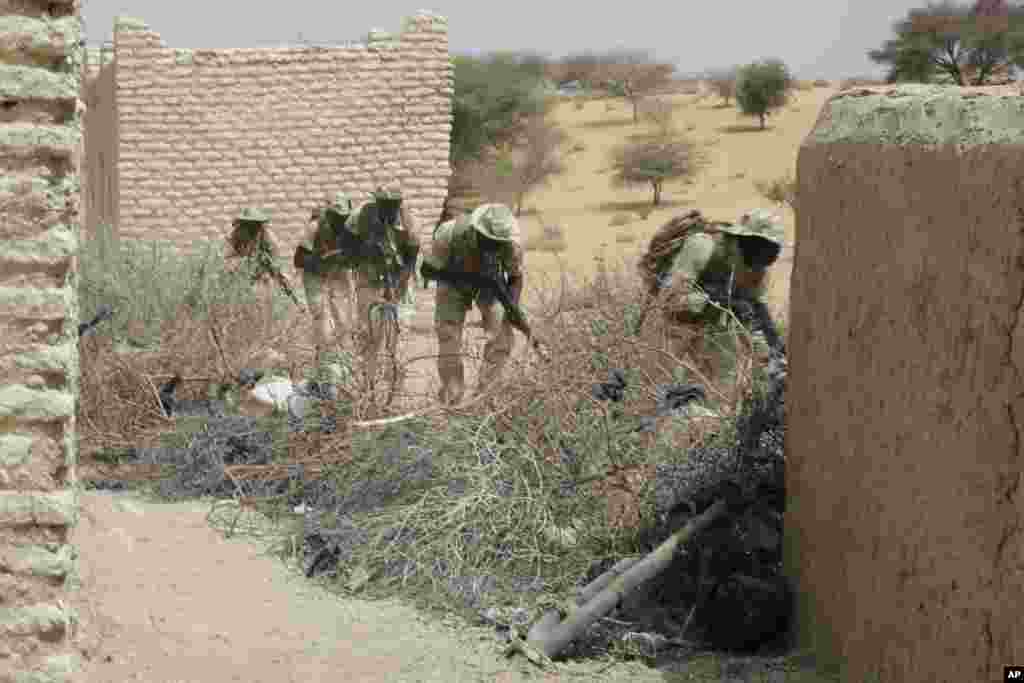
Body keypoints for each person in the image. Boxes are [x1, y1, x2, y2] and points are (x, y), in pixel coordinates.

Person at [639, 208, 786, 387]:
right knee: (653, 389)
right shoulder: (702, 247)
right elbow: (668, 299)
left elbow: (755, 317)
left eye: (773, 249)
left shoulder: (758, 271)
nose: (769, 255)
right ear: (749, 240)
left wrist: (774, 354)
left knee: (721, 389)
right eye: (765, 246)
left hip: (711, 328)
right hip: (672, 325)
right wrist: (714, 299)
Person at [420, 203, 524, 405]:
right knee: (449, 335)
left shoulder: (511, 244)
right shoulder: (449, 233)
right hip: (453, 282)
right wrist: (466, 277)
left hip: (490, 284)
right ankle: (453, 394)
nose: (494, 246)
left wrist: (513, 307)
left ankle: (487, 395)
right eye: (489, 241)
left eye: (498, 243)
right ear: (477, 231)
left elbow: (515, 277)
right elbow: (427, 271)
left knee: (502, 335)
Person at [344, 186, 421, 391]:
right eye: (383, 205)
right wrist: (365, 252)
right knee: (370, 332)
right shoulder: (359, 216)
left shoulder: (409, 220)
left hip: (399, 275)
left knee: (400, 330)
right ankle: (367, 385)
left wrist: (400, 284)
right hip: (368, 277)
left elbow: (411, 255)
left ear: (399, 204)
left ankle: (396, 386)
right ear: (376, 202)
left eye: (392, 205)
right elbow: (346, 248)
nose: (388, 209)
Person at [294, 192, 359, 386]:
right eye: (336, 217)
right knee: (323, 322)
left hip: (338, 273)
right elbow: (298, 259)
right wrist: (322, 259)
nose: (341, 221)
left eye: (344, 217)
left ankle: (343, 373)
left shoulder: (352, 228)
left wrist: (346, 258)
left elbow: (356, 257)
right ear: (329, 215)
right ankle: (325, 373)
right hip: (316, 275)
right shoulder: (315, 228)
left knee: (344, 322)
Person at [224, 207, 299, 305]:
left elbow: (276, 264)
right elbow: (228, 260)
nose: (250, 228)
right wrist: (242, 262)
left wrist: (280, 276)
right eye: (246, 224)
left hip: (260, 275)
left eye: (253, 225)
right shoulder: (235, 235)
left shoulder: (268, 238)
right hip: (240, 275)